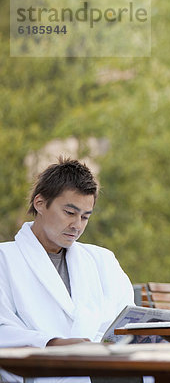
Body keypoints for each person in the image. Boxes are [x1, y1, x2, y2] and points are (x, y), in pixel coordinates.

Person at [0, 158, 135, 383]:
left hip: (105, 372)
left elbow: (125, 323)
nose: (77, 225)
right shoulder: (4, 259)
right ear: (40, 203)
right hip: (40, 373)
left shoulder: (102, 260)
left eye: (85, 217)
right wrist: (52, 343)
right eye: (69, 213)